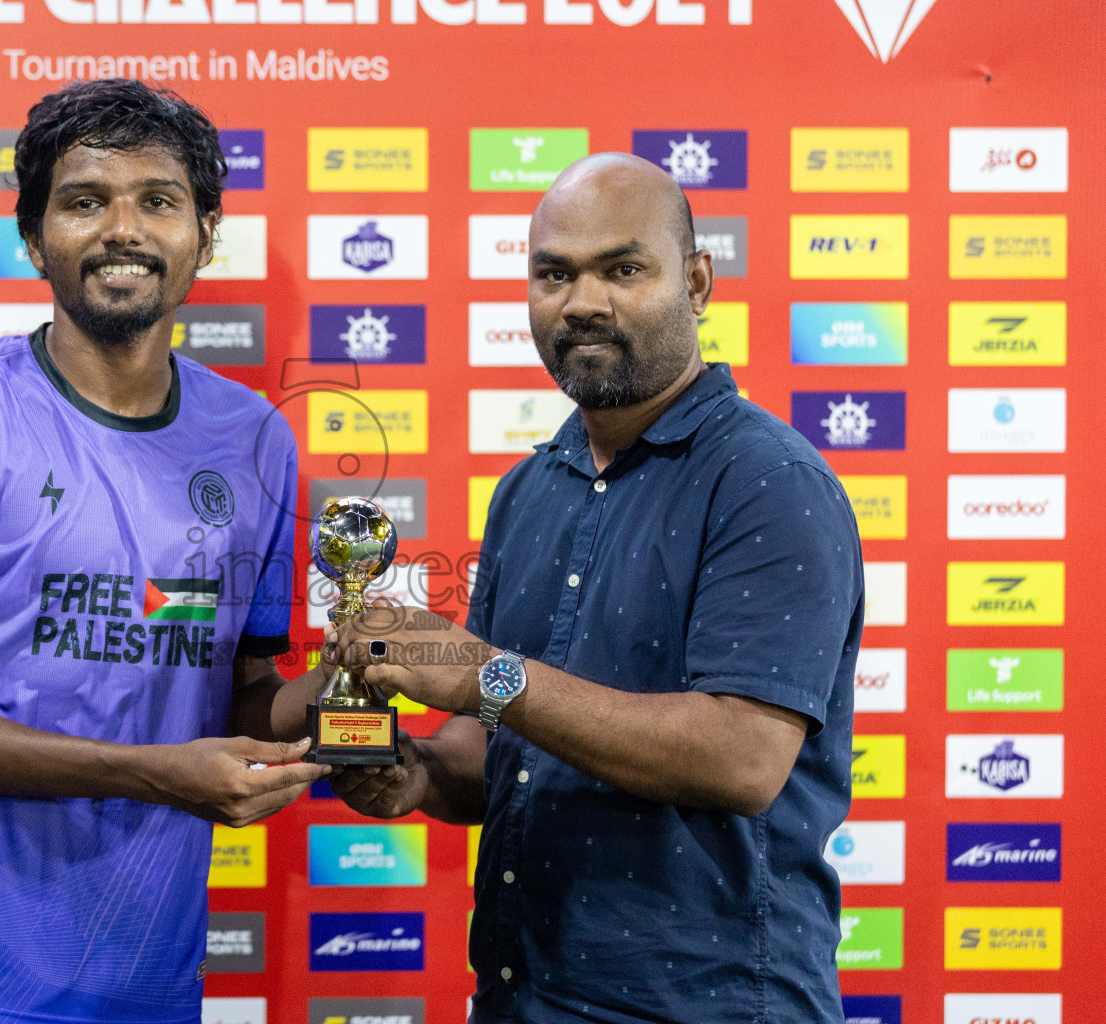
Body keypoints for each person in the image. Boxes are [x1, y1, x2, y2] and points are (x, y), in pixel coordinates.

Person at [328, 153, 864, 1024]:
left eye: (622, 269)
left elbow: (741, 755)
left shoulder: (770, 482)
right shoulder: (528, 490)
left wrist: (484, 673)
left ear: (696, 282)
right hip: (522, 994)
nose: (582, 301)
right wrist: (417, 772)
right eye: (555, 274)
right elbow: (495, 746)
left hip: (706, 1004)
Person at [0, 79, 331, 1024]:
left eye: (157, 200)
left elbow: (243, 693)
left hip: (147, 985)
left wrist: (348, 683)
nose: (123, 229)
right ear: (33, 239)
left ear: (203, 234)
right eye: (84, 201)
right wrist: (155, 771)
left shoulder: (258, 438)